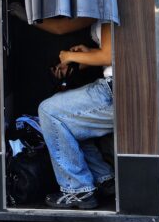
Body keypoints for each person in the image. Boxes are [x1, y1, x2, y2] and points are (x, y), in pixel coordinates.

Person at [37, 19, 115, 209]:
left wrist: (69, 55)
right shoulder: (107, 9)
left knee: (49, 111)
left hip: (113, 90)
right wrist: (85, 56)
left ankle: (77, 189)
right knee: (69, 120)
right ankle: (103, 178)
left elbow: (109, 56)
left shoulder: (109, 10)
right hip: (119, 86)